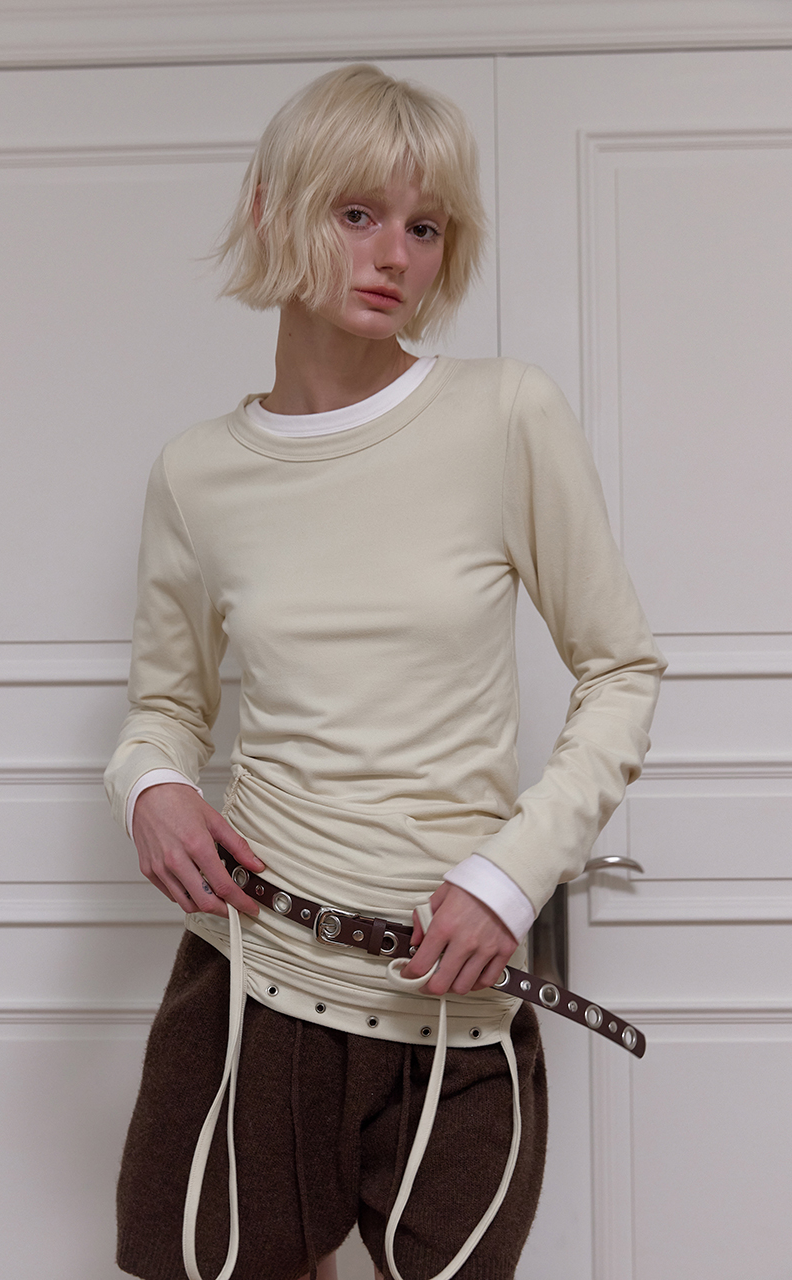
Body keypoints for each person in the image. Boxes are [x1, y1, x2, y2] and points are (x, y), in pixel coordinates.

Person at [105, 63, 665, 1280]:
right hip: (249, 980)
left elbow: (620, 669)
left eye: (426, 226)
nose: (394, 255)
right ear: (273, 208)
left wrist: (510, 879)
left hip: (456, 1001)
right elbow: (167, 706)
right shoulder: (197, 474)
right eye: (357, 213)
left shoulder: (506, 416)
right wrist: (150, 785)